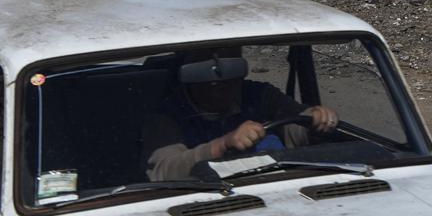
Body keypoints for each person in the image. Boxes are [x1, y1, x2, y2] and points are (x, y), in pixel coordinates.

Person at [143, 47, 338, 181]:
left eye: (230, 62)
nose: (219, 78)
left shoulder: (260, 95)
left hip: (280, 183)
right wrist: (222, 145)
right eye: (205, 64)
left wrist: (316, 120)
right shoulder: (167, 115)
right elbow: (163, 171)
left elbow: (294, 122)